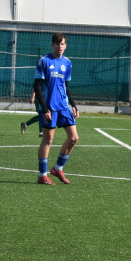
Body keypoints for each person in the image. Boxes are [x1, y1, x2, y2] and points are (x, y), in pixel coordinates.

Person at [33, 33, 79, 185]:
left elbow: (66, 86)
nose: (60, 46)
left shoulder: (67, 63)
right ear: (52, 44)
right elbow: (37, 86)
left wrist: (73, 105)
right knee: (48, 140)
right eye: (57, 44)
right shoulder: (44, 61)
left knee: (74, 138)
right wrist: (44, 108)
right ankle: (42, 175)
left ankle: (58, 168)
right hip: (50, 107)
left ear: (66, 45)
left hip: (63, 106)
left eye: (63, 44)